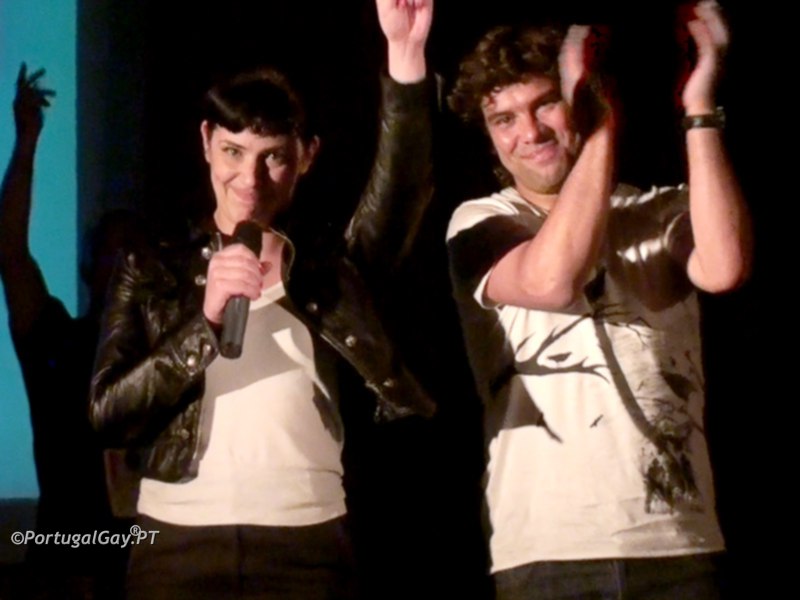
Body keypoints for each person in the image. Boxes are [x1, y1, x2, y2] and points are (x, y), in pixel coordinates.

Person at [89, 1, 435, 598]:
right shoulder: (150, 267)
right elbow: (107, 412)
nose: (249, 180)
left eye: (273, 156)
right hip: (174, 544)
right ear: (206, 142)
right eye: (233, 152)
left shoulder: (333, 269)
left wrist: (405, 59)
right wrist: (203, 323)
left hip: (306, 541)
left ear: (307, 156)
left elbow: (401, 193)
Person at [445, 1, 752, 598]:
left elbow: (725, 268)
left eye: (545, 104)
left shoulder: (655, 208)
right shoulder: (481, 220)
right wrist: (603, 128)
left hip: (679, 546)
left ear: (577, 101)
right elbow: (551, 281)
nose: (529, 132)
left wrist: (698, 106)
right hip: (552, 555)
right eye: (503, 119)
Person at [0, 64, 143, 599]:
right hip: (62, 565)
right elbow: (11, 253)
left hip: (142, 567)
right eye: (114, 252)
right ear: (89, 266)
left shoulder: (165, 360)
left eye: (136, 254)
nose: (126, 264)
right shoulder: (57, 340)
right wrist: (26, 141)